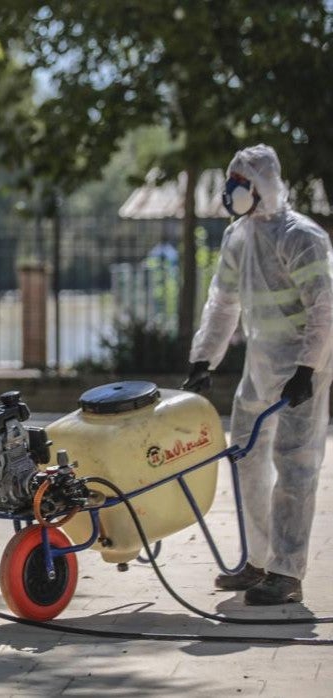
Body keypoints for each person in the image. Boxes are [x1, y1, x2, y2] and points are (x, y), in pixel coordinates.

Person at [182, 144, 333, 605]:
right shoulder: (238, 237)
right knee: (246, 457)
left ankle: (286, 572)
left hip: (302, 368)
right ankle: (258, 561)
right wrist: (203, 359)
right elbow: (223, 302)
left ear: (261, 185)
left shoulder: (301, 237)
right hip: (261, 365)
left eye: (239, 182)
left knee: (295, 463)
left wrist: (308, 369)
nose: (230, 191)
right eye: (230, 181)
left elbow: (324, 308)